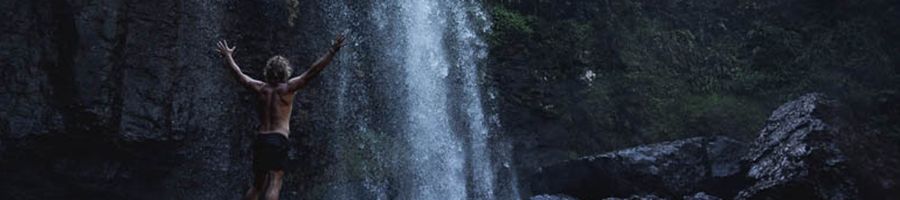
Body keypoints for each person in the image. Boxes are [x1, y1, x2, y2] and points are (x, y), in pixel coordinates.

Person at [215, 34, 345, 200]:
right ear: (285, 72)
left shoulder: (260, 88)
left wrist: (228, 57)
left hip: (261, 138)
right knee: (275, 181)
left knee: (257, 185)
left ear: (268, 71)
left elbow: (239, 75)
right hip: (278, 139)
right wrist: (332, 51)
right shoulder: (289, 89)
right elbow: (313, 71)